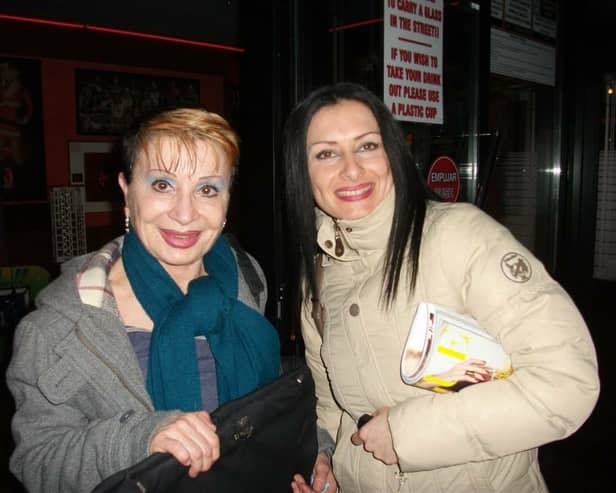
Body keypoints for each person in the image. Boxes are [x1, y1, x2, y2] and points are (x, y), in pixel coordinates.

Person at [283, 82, 600, 493]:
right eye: (326, 153)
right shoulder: (320, 275)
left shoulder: (458, 237)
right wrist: (326, 457)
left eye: (366, 146)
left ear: (392, 152)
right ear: (301, 172)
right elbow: (332, 403)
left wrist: (406, 434)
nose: (351, 169)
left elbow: (567, 383)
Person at [6, 107, 282, 493]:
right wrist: (140, 439)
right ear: (126, 190)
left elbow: (270, 397)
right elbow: (38, 462)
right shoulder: (60, 328)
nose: (185, 214)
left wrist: (312, 451)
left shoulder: (245, 277)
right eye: (162, 185)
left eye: (207, 189)